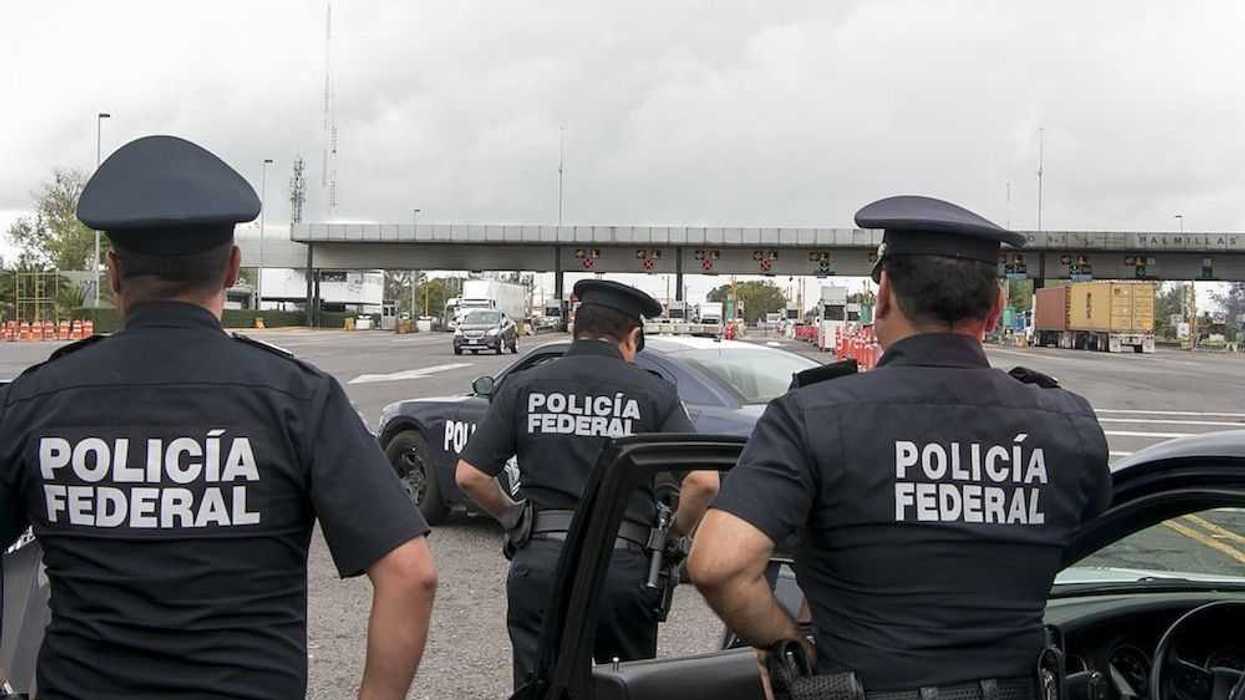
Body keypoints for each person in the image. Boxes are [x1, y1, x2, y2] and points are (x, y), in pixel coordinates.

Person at [0, 135, 437, 699]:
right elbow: (411, 574)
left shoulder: (37, 400)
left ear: (113, 272)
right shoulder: (298, 400)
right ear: (232, 268)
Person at [689, 195, 1112, 698]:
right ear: (996, 307)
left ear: (884, 293)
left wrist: (785, 646)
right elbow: (1085, 531)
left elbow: (720, 564)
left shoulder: (813, 415)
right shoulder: (1067, 422)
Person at [455, 279, 719, 689]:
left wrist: (514, 518)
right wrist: (671, 540)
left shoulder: (524, 386)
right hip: (623, 570)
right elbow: (703, 482)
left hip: (542, 566)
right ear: (632, 337)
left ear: (575, 328)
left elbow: (470, 476)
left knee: (539, 689)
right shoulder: (654, 393)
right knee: (623, 687)